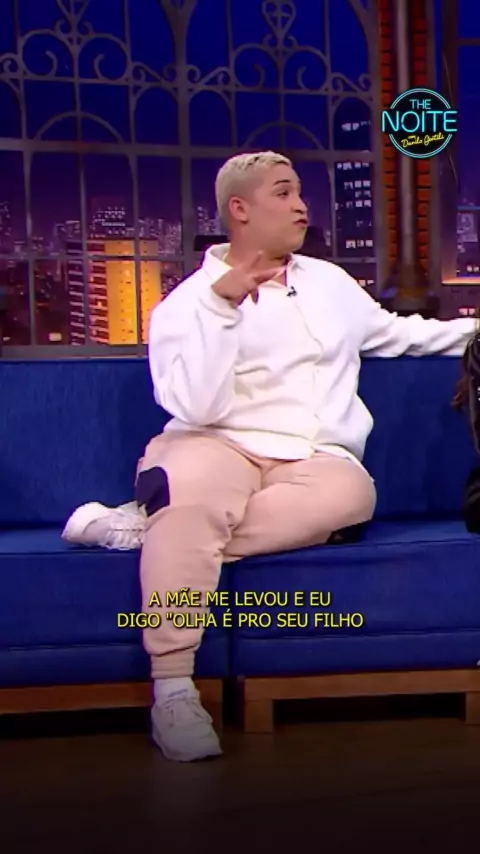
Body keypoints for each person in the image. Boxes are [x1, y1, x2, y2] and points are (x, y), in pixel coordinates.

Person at [63, 151, 477, 762]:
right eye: (283, 193)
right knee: (197, 502)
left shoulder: (330, 282)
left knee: (347, 496)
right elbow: (197, 406)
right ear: (240, 209)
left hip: (315, 456)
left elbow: (400, 334)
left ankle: (153, 529)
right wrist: (222, 310)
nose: (302, 206)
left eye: (300, 192)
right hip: (213, 442)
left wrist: (474, 328)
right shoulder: (186, 304)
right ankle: (173, 690)